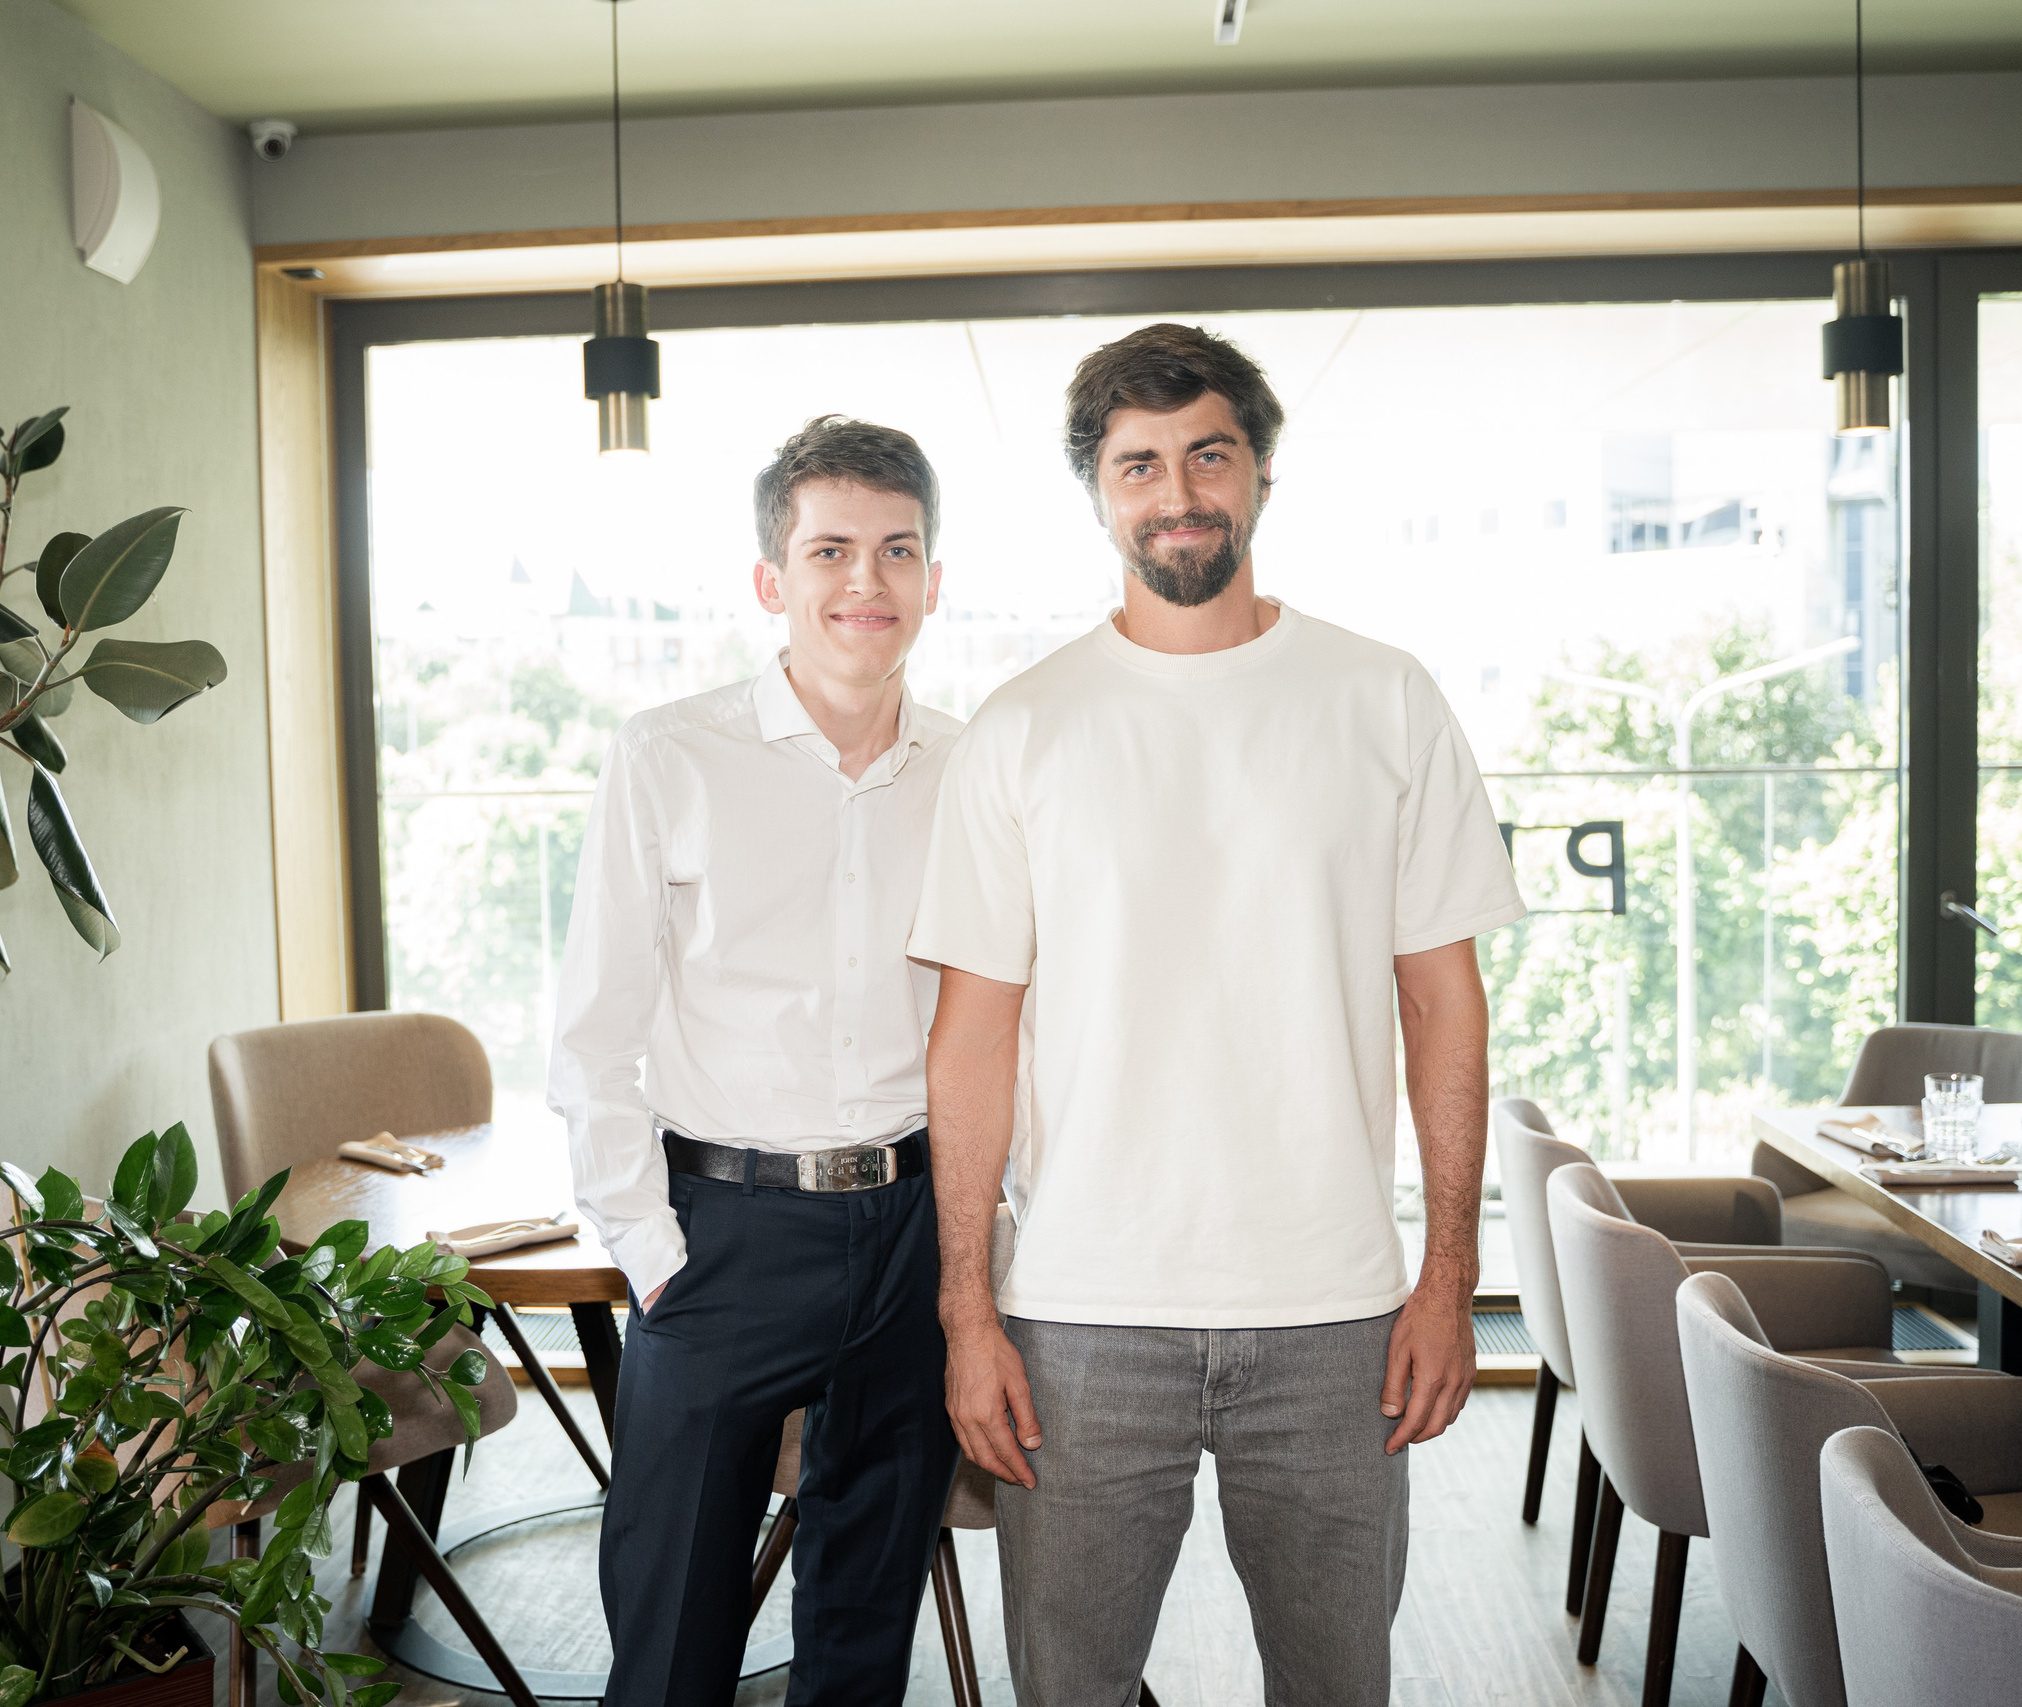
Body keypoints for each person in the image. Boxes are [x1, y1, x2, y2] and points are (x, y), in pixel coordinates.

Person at [909, 323, 1524, 1706]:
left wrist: (1446, 1281)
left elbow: (1444, 1003)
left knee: (1337, 1688)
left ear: (1258, 475)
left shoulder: (1386, 698)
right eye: (1139, 463)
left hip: (1336, 1313)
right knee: (1068, 1691)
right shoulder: (1024, 730)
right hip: (1075, 1314)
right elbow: (970, 1040)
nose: (1177, 490)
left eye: (1208, 453)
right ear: (1098, 492)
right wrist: (968, 1314)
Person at [550, 415, 964, 1707]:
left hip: (917, 1225)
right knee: (673, 1635)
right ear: (771, 582)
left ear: (934, 581)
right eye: (830, 549)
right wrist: (652, 1252)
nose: (866, 582)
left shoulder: (974, 770)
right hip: (724, 1232)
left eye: (899, 551)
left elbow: (1000, 1023)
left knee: (864, 1624)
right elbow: (593, 1033)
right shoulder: (670, 756)